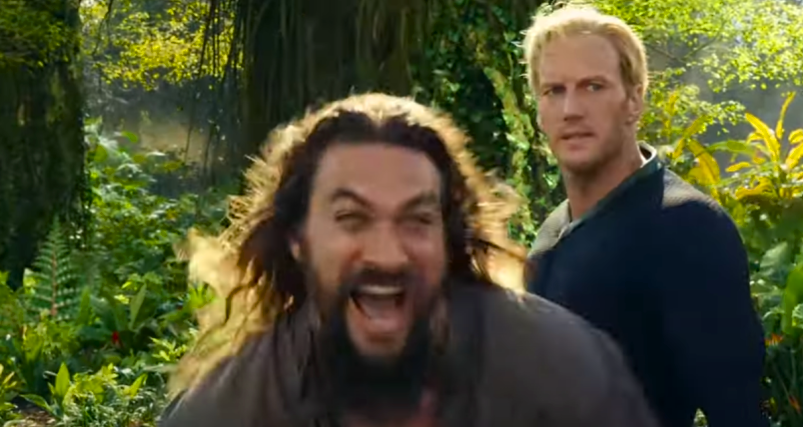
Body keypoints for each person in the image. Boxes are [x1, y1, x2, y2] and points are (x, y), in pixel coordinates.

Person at [157, 93, 660, 427]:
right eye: (351, 218)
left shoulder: (565, 373)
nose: (387, 254)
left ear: (449, 238)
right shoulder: (229, 409)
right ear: (297, 239)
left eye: (416, 219)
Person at [521, 5, 769, 427]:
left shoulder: (685, 226)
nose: (571, 109)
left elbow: (739, 413)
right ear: (539, 109)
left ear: (633, 100)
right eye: (554, 91)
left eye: (593, 86)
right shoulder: (552, 232)